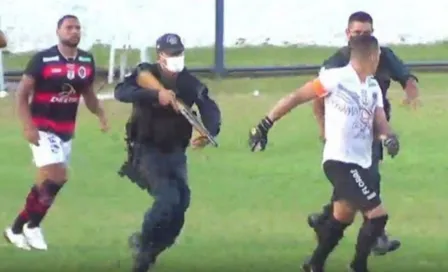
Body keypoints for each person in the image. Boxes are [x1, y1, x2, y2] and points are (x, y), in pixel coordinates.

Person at [248, 35, 400, 272]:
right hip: (339, 160)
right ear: (372, 56)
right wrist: (266, 123)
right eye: (379, 56)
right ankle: (358, 266)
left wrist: (388, 138)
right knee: (377, 215)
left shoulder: (372, 87)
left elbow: (380, 123)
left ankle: (313, 264)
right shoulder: (335, 78)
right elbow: (298, 96)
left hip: (362, 162)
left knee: (342, 217)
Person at [308, 11, 420, 256]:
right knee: (367, 180)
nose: (361, 37)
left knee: (356, 185)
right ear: (348, 34)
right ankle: (376, 236)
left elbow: (406, 76)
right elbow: (315, 99)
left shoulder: (383, 55)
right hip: (347, 135)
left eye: (367, 33)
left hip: (375, 131)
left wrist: (411, 90)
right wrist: (323, 129)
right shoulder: (335, 64)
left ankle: (325, 221)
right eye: (357, 33)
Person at [114, 33, 221, 272]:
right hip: (146, 150)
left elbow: (208, 107)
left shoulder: (188, 83)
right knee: (167, 199)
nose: (176, 59)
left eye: (179, 54)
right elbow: (121, 92)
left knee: (181, 203)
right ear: (160, 56)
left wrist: (209, 130)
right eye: (172, 54)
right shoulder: (146, 73)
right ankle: (142, 241)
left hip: (175, 152)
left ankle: (152, 251)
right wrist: (156, 95)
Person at [4, 15, 108, 251]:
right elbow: (21, 95)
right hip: (42, 128)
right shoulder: (43, 59)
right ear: (58, 31)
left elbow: (88, 95)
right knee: (59, 176)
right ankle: (33, 226)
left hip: (65, 130)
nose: (74, 31)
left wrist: (100, 114)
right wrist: (27, 126)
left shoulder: (86, 60)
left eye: (77, 27)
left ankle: (16, 228)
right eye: (69, 27)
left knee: (45, 184)